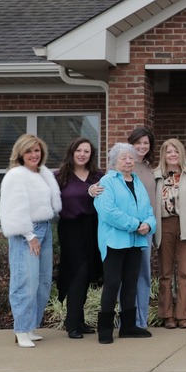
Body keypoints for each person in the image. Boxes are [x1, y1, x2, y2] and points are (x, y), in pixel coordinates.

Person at [0, 134, 62, 348]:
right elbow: (14, 207)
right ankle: (21, 330)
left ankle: (31, 326)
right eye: (29, 151)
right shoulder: (16, 175)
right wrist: (29, 235)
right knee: (25, 281)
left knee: (43, 281)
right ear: (20, 154)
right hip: (27, 232)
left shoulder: (43, 173)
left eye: (37, 150)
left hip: (45, 227)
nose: (34, 155)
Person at [93, 142, 157, 344]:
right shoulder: (107, 181)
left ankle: (128, 326)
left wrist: (148, 224)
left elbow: (148, 210)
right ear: (114, 162)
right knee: (112, 284)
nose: (129, 161)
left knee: (131, 283)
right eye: (123, 158)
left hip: (136, 242)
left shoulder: (137, 181)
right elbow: (108, 212)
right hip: (115, 241)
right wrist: (135, 224)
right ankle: (104, 329)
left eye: (131, 157)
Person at [54, 137, 103, 339]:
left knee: (89, 272)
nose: (82, 154)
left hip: (93, 227)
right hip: (70, 228)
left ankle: (78, 321)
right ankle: (72, 323)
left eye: (87, 151)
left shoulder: (97, 176)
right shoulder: (60, 177)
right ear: (72, 152)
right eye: (79, 150)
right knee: (77, 273)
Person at [153, 138, 186, 330]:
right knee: (165, 273)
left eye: (175, 151)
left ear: (180, 154)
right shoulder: (156, 176)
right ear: (163, 155)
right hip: (165, 225)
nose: (172, 155)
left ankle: (182, 314)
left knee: (184, 273)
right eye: (168, 152)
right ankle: (167, 315)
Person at [127, 126, 156, 329]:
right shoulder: (124, 167)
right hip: (127, 230)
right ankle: (127, 320)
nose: (142, 146)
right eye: (138, 142)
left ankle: (141, 320)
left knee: (144, 275)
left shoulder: (149, 168)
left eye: (146, 143)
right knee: (126, 276)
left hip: (147, 230)